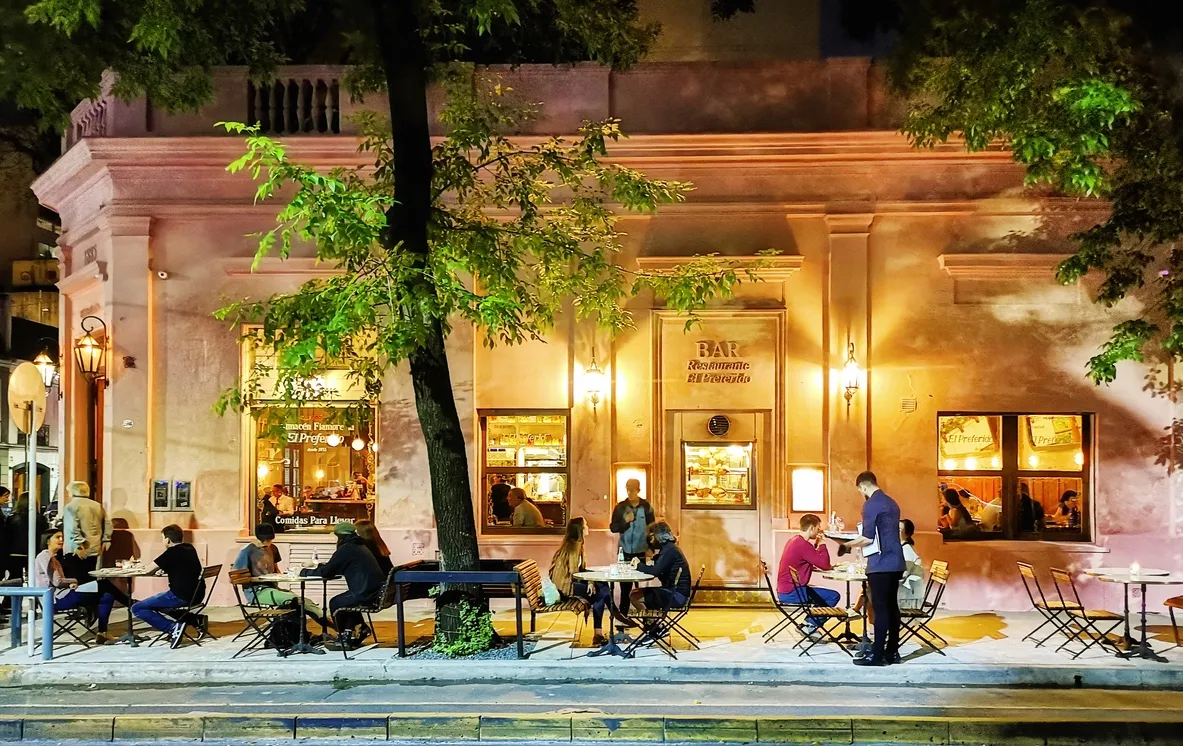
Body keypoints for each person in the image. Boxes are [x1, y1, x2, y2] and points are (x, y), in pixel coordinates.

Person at [844, 472, 905, 667]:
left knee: (880, 609)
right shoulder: (892, 502)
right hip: (896, 561)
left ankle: (877, 655)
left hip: (880, 563)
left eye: (860, 490)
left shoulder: (871, 505)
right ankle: (892, 652)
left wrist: (847, 545)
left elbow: (868, 538)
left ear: (862, 487)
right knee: (892, 607)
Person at [36, 531, 131, 644]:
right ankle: (131, 603)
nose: (61, 540)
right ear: (47, 540)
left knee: (107, 595)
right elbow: (57, 582)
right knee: (103, 584)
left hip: (63, 594)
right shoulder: (45, 557)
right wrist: (74, 581)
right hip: (55, 599)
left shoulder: (53, 557)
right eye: (57, 537)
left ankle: (102, 632)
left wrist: (70, 583)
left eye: (62, 537)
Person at [302, 521, 385, 648]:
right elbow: (335, 567)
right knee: (346, 601)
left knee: (336, 603)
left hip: (365, 594)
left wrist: (304, 572)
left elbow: (327, 572)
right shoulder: (359, 546)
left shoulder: (346, 549)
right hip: (374, 591)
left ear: (340, 536)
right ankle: (359, 629)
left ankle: (344, 636)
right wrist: (320, 566)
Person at [232, 522, 326, 625]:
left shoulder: (272, 548)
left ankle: (324, 624)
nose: (266, 543)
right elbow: (234, 577)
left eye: (269, 540)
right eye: (264, 540)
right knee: (295, 600)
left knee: (303, 601)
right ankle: (316, 627)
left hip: (272, 587)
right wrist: (255, 579)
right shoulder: (247, 551)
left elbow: (275, 568)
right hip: (257, 592)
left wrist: (281, 575)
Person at [132, 524, 207, 648]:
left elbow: (148, 570)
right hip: (197, 594)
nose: (162, 541)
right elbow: (181, 566)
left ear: (167, 540)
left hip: (180, 595)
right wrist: (165, 569)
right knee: (157, 604)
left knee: (137, 608)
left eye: (162, 538)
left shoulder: (171, 552)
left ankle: (173, 628)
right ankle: (195, 620)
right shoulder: (189, 548)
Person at [548, 516, 612, 645]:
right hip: (565, 586)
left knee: (603, 585)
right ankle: (612, 621)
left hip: (571, 581)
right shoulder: (573, 546)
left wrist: (592, 580)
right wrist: (590, 582)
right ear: (580, 529)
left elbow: (580, 569)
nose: (588, 527)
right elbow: (574, 572)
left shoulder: (578, 544)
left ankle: (602, 631)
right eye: (586, 525)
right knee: (601, 593)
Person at [776, 514, 840, 632]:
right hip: (792, 593)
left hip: (786, 589)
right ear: (811, 528)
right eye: (817, 528)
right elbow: (824, 565)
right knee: (833, 596)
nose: (819, 531)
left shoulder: (794, 541)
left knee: (821, 594)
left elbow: (811, 557)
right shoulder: (802, 545)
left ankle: (809, 624)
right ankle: (809, 625)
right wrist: (822, 544)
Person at [610, 478, 656, 615]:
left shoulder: (646, 507)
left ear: (638, 490)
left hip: (641, 550)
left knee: (642, 581)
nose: (629, 492)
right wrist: (625, 521)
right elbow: (613, 528)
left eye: (632, 489)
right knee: (625, 586)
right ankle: (623, 615)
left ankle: (644, 615)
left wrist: (650, 548)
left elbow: (652, 528)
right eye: (628, 489)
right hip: (625, 551)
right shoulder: (620, 507)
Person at [630, 522, 691, 612]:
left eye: (651, 537)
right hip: (675, 592)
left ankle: (653, 624)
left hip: (676, 596)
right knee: (635, 593)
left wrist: (638, 565)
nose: (650, 541)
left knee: (635, 596)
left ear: (658, 536)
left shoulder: (670, 550)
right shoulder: (669, 548)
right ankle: (653, 624)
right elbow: (659, 567)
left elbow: (656, 571)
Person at [61, 481, 112, 575]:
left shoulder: (70, 506)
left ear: (73, 492)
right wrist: (106, 540)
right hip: (95, 547)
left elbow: (72, 527)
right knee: (89, 578)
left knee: (76, 579)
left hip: (77, 549)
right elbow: (108, 524)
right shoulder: (97, 505)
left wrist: (78, 544)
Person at [7, 492, 48, 585]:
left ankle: (11, 599)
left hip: (15, 552)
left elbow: (8, 536)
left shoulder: (12, 518)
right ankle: (34, 597)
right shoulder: (40, 518)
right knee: (34, 578)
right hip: (34, 552)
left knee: (15, 578)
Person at [898, 519, 925, 610]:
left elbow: (903, 576)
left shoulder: (906, 550)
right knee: (870, 587)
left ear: (907, 534)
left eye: (899, 530)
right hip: (904, 588)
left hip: (909, 593)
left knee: (872, 589)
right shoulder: (900, 547)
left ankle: (857, 610)